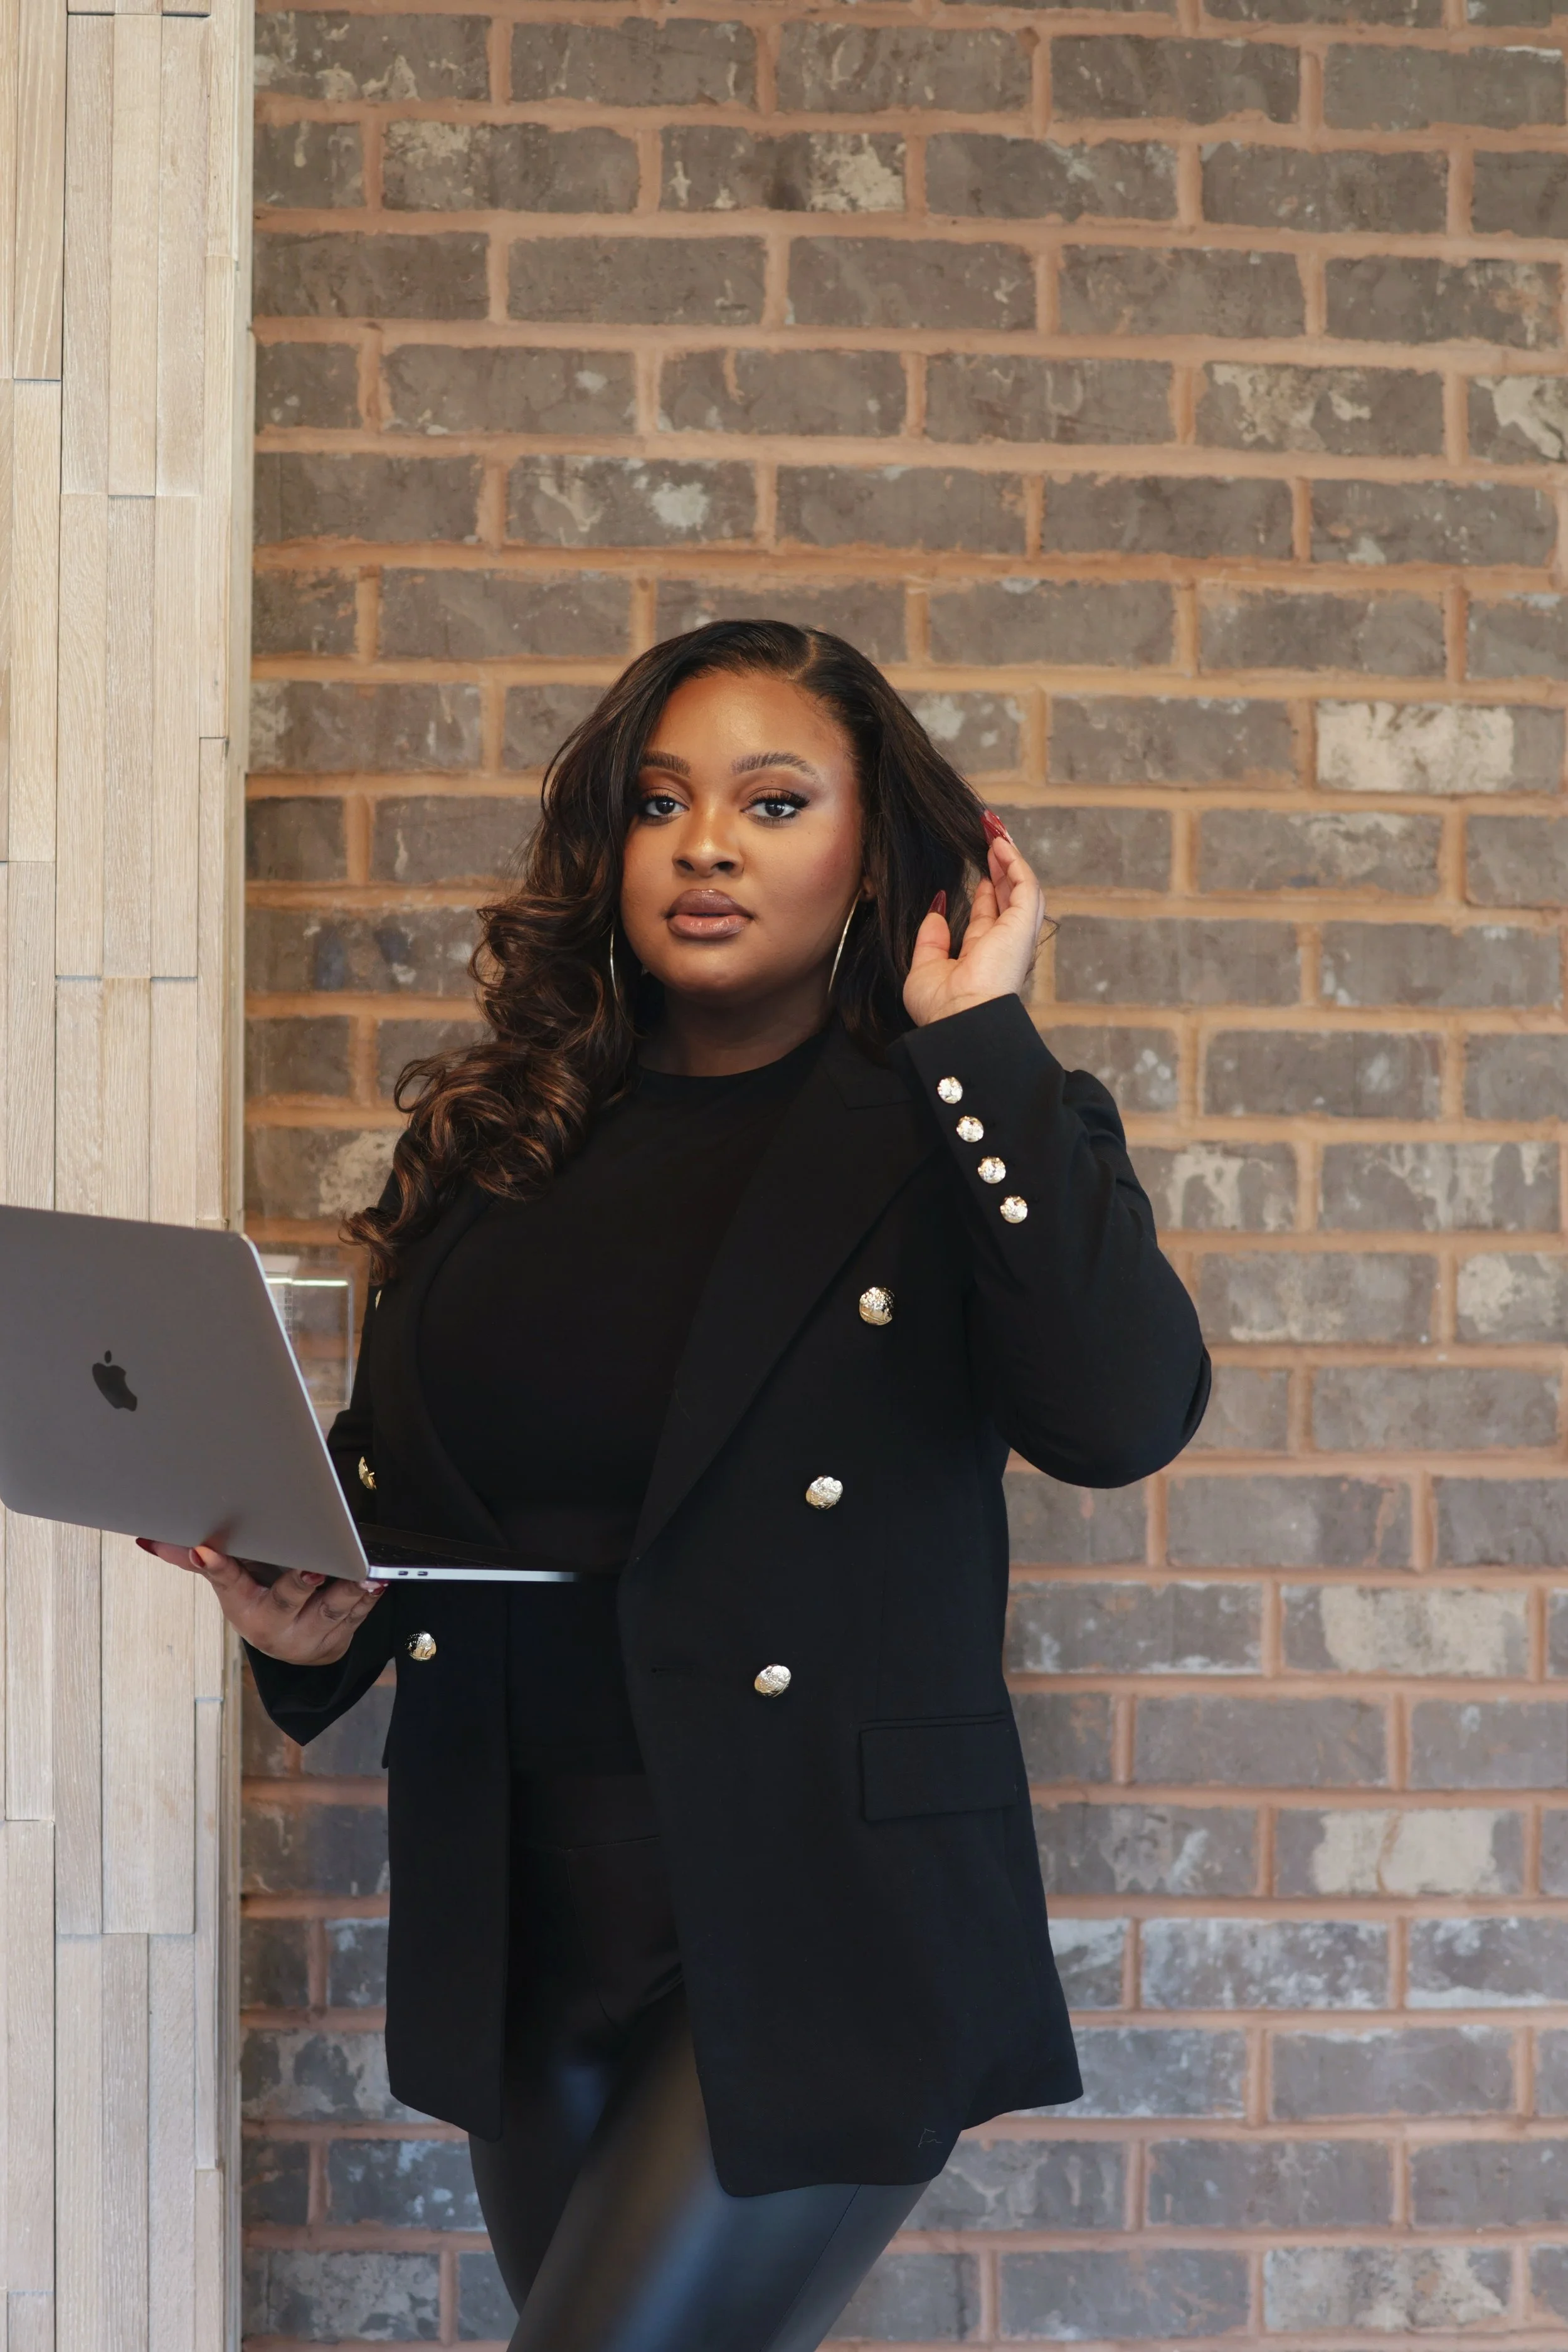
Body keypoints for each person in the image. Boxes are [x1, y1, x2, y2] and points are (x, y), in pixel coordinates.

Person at [147, 621, 1209, 2351]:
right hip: (526, 1913)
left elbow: (1121, 1411)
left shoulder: (953, 1122)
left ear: (876, 853)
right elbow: (419, 1492)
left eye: (772, 801)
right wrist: (307, 1606)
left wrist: (985, 1038)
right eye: (660, 802)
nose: (704, 842)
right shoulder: (510, 1134)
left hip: (815, 1913)